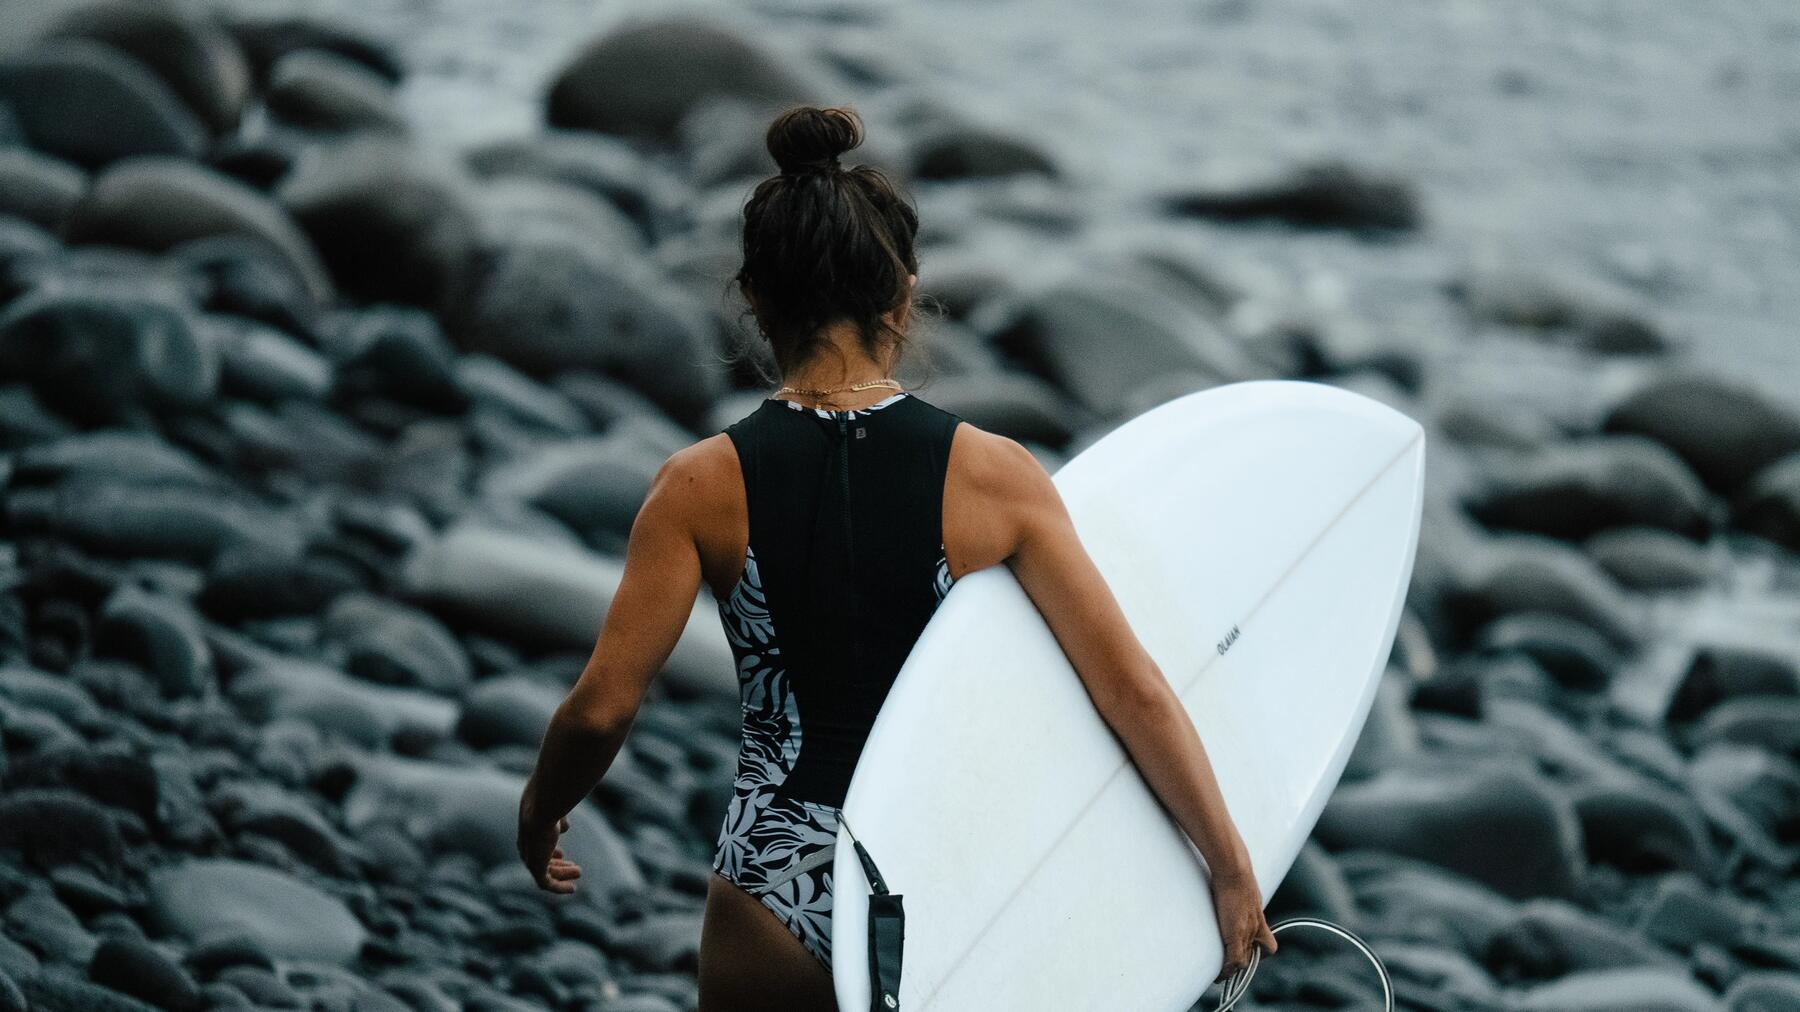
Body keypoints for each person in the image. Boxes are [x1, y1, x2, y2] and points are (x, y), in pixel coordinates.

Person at [516, 104, 1276, 1012]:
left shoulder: (696, 485)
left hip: (773, 877)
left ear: (755, 298)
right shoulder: (995, 477)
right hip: (938, 883)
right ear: (903, 297)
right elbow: (1131, 692)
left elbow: (603, 707)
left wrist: (541, 807)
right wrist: (1230, 866)